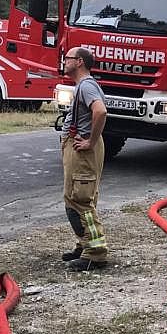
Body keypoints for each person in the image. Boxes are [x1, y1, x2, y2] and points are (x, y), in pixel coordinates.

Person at [59, 47, 110, 271]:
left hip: (83, 149)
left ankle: (96, 252)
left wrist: (89, 140)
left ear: (79, 62)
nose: (64, 61)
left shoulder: (87, 86)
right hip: (79, 148)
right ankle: (84, 244)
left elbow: (100, 112)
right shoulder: (83, 86)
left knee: (79, 200)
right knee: (80, 195)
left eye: (67, 58)